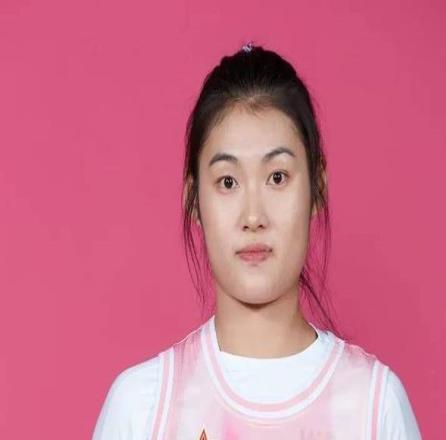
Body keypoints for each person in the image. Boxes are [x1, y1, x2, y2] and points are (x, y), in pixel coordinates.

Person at [92, 42, 422, 439]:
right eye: (228, 182)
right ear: (193, 200)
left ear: (317, 188)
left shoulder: (374, 403)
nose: (253, 217)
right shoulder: (142, 407)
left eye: (277, 178)